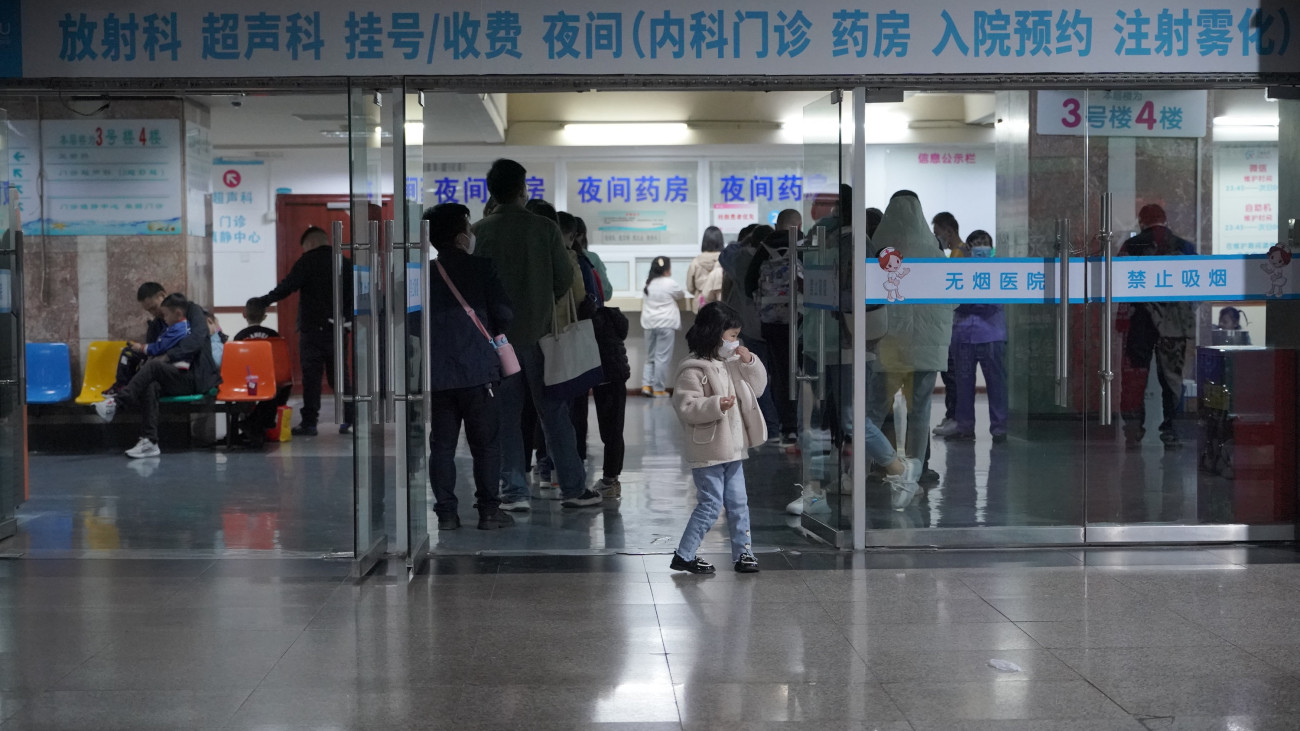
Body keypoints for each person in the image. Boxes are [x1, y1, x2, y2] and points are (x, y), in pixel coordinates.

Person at [473, 158, 601, 510]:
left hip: (500, 340)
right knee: (555, 413)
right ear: (521, 190)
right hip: (543, 336)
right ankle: (573, 488)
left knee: (507, 416)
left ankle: (514, 491)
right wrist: (540, 302)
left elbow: (476, 286)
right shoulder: (544, 229)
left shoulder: (481, 231)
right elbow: (563, 280)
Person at [425, 203, 516, 531]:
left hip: (437, 374)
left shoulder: (424, 275)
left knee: (442, 445)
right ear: (462, 236)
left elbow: (411, 324)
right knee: (486, 444)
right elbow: (504, 313)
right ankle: (489, 511)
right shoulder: (482, 268)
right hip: (479, 373)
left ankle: (447, 514)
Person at [668, 302, 768, 575]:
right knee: (711, 504)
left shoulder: (732, 363)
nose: (735, 342)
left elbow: (757, 388)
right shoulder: (693, 369)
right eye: (732, 336)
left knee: (738, 502)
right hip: (708, 449)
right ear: (715, 334)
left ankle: (744, 552)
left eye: (737, 336)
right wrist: (715, 405)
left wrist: (749, 362)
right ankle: (685, 554)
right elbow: (686, 407)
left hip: (734, 448)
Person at [867, 190, 954, 482]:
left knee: (874, 412)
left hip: (888, 349)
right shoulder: (936, 254)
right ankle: (916, 471)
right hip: (927, 353)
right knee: (920, 413)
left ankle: (867, 467)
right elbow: (952, 301)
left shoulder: (878, 252)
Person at [252, 225, 354, 436]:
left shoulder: (307, 261)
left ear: (310, 244)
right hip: (338, 330)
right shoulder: (345, 263)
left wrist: (263, 301)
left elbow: (287, 286)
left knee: (311, 378)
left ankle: (310, 423)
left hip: (312, 331)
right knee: (340, 378)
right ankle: (351, 420)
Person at [96, 292, 222, 458]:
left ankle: (117, 402)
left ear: (163, 298)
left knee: (155, 366)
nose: (160, 316)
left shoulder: (193, 311)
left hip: (195, 377)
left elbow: (196, 340)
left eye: (160, 311)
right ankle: (150, 441)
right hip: (177, 375)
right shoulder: (159, 324)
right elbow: (155, 347)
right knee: (151, 384)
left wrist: (168, 356)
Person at [1117, 203, 1196, 449]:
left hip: (1140, 321)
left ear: (1141, 221)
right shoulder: (1186, 247)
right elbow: (1197, 287)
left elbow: (1119, 285)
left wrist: (1122, 318)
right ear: (1165, 220)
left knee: (1134, 377)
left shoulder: (1131, 247)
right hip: (1175, 325)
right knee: (1172, 378)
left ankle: (1133, 430)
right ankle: (1171, 431)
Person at [933, 230, 1009, 443]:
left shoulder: (999, 268)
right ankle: (965, 426)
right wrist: (977, 302)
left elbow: (993, 302)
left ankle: (999, 428)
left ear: (991, 246)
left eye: (984, 243)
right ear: (969, 247)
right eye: (976, 243)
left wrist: (971, 303)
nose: (981, 247)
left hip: (990, 335)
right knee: (963, 384)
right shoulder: (960, 269)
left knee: (996, 385)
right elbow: (956, 301)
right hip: (966, 335)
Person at [744, 208, 803, 445]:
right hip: (801, 320)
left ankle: (786, 426)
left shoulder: (763, 249)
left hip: (771, 323)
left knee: (780, 374)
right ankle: (805, 424)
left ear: (777, 225)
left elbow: (749, 286)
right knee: (803, 373)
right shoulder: (805, 246)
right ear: (798, 226)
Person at [720, 224, 779, 438]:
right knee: (778, 379)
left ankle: (770, 428)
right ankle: (783, 426)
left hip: (753, 327)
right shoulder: (777, 257)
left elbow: (725, 254)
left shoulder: (744, 259)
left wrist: (746, 241)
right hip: (779, 325)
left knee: (758, 379)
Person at [230, 298, 286, 449]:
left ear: (244, 315)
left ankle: (251, 424)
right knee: (278, 390)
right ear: (265, 316)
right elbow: (280, 360)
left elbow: (237, 361)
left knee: (254, 395)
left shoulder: (240, 336)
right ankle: (257, 424)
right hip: (269, 380)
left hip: (246, 380)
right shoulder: (273, 334)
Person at [931, 211, 965, 436]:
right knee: (949, 372)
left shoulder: (960, 254)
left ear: (948, 230)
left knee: (952, 373)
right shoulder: (953, 253)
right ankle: (951, 414)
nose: (936, 238)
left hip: (955, 324)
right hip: (951, 324)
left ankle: (955, 416)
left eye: (938, 233)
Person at [108, 282, 169, 395]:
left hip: (170, 364)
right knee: (129, 353)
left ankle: (127, 392)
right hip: (155, 358)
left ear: (162, 295)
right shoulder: (155, 325)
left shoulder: (183, 318)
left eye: (154, 308)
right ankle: (122, 385)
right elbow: (151, 349)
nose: (153, 313)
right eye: (149, 311)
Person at [640, 256, 686, 398]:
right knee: (662, 358)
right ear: (667, 269)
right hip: (665, 324)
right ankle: (658, 389)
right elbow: (681, 295)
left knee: (650, 357)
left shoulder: (647, 283)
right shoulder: (670, 283)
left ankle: (646, 385)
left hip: (649, 324)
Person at [685, 226, 725, 313]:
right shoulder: (724, 261)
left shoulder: (695, 262)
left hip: (700, 303)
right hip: (719, 302)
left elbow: (690, 287)